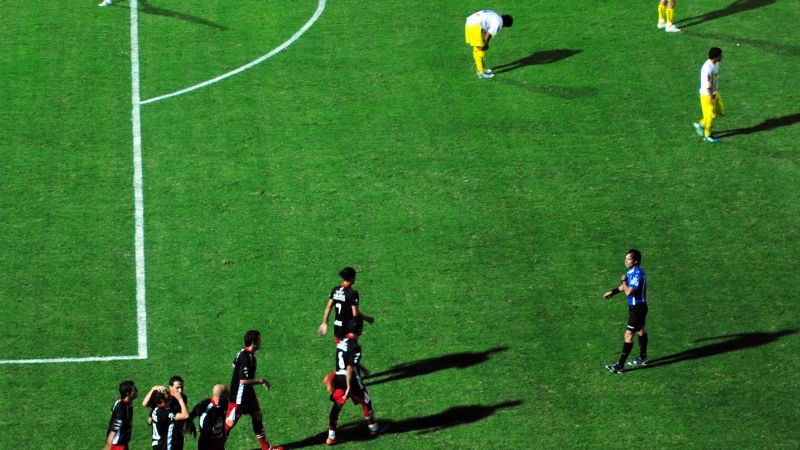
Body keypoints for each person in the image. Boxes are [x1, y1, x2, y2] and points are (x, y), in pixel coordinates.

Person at [325, 317, 381, 446]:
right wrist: (349, 387)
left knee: (337, 406)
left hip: (338, 378)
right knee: (366, 401)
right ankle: (373, 428)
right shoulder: (355, 347)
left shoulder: (341, 341)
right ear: (360, 330)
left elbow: (347, 359)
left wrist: (362, 368)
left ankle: (331, 437)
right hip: (351, 380)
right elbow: (350, 367)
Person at [227, 330, 283, 450]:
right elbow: (243, 380)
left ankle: (266, 448)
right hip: (239, 397)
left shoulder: (244, 353)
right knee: (229, 423)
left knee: (257, 415)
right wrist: (261, 380)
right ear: (253, 342)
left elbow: (234, 364)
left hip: (248, 393)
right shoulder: (245, 357)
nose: (261, 342)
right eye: (259, 340)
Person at [603, 249, 649, 374]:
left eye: (628, 259)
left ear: (635, 261)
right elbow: (624, 287)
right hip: (636, 307)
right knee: (640, 330)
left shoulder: (638, 274)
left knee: (628, 335)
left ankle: (620, 365)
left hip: (638, 308)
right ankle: (643, 357)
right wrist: (612, 292)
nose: (625, 261)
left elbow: (628, 291)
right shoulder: (631, 271)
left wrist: (623, 280)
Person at [318, 267, 374, 343]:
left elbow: (328, 307)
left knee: (340, 347)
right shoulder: (352, 293)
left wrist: (324, 322)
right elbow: (355, 313)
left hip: (337, 328)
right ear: (352, 278)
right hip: (348, 328)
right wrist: (367, 319)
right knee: (350, 348)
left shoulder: (335, 290)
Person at [142, 376, 193, 450]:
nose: (180, 390)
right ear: (171, 387)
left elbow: (184, 413)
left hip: (177, 433)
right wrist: (153, 388)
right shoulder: (163, 397)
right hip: (166, 435)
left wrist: (187, 424)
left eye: (182, 387)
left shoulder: (183, 397)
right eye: (177, 388)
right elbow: (145, 404)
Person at [464, 10, 514, 79]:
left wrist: (484, 42)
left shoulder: (495, 15)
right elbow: (488, 35)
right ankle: (481, 73)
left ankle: (481, 69)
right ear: (505, 25)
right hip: (474, 26)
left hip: (470, 22)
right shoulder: (498, 23)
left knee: (477, 47)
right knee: (481, 48)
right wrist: (486, 44)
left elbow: (485, 28)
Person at [693, 47, 725, 143]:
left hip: (714, 92)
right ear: (715, 57)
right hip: (707, 95)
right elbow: (708, 85)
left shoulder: (716, 63)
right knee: (710, 116)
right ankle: (707, 136)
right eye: (720, 55)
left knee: (718, 111)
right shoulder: (707, 69)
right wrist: (711, 97)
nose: (721, 57)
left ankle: (701, 124)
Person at [190, 384, 230, 450]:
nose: (228, 395)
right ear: (221, 396)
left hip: (218, 440)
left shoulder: (224, 404)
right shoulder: (204, 407)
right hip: (207, 442)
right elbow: (191, 415)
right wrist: (191, 425)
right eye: (227, 394)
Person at [105, 380, 138, 450]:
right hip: (117, 446)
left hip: (123, 444)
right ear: (127, 393)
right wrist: (108, 448)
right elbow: (113, 431)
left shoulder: (127, 404)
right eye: (134, 389)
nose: (136, 390)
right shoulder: (121, 409)